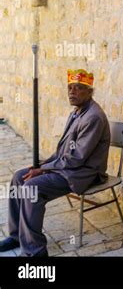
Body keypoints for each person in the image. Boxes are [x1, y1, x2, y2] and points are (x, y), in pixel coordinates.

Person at [0, 69, 110, 256]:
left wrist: (43, 171)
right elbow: (62, 152)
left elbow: (76, 158)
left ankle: (36, 250)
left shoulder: (93, 117)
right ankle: (17, 235)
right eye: (70, 87)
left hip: (84, 174)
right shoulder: (77, 112)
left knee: (32, 187)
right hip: (67, 169)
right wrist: (41, 165)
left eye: (79, 88)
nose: (72, 92)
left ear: (90, 92)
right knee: (19, 177)